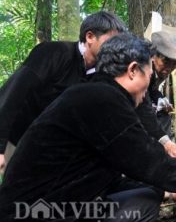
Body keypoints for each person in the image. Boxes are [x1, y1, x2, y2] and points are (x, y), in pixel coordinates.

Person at [0, 34, 176, 222]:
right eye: (149, 74)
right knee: (143, 201)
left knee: (147, 198)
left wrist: (168, 191)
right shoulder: (103, 100)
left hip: (51, 210)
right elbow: (145, 158)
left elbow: (113, 178)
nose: (146, 93)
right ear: (133, 70)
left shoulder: (92, 94)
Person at [0, 11, 127, 173]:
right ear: (89, 37)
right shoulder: (53, 53)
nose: (116, 49)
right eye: (111, 42)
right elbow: (12, 94)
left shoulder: (101, 77)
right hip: (16, 141)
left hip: (52, 154)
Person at [137, 31, 176, 137]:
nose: (169, 69)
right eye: (166, 62)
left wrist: (160, 99)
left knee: (164, 116)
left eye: (174, 64)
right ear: (153, 56)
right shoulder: (143, 68)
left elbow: (152, 89)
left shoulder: (156, 72)